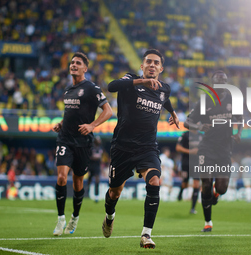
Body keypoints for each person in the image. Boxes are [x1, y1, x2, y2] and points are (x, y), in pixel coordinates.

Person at [102, 49, 180, 249]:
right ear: (142, 66)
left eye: (156, 63)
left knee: (154, 180)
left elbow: (165, 98)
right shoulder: (131, 80)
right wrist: (141, 82)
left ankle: (146, 234)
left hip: (147, 148)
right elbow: (111, 86)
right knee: (114, 192)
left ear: (161, 68)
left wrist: (172, 112)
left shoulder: (165, 89)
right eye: (148, 62)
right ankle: (109, 217)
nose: (152, 65)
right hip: (122, 147)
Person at [52, 52, 113, 236]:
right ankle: (60, 219)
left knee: (78, 181)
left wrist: (92, 125)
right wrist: (61, 124)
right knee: (62, 177)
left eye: (78, 63)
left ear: (85, 68)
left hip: (83, 143)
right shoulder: (68, 90)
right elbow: (71, 114)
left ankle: (75, 217)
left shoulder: (92, 88)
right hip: (64, 139)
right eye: (72, 62)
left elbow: (108, 111)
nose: (73, 65)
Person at [184, 71, 242, 232]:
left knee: (222, 188)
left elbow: (240, 118)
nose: (221, 83)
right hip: (207, 149)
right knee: (206, 184)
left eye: (224, 81)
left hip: (225, 149)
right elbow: (187, 122)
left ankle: (217, 194)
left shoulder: (232, 100)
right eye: (218, 81)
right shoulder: (204, 101)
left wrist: (239, 133)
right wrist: (199, 127)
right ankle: (208, 222)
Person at [176, 130, 203, 214]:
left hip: (197, 163)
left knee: (196, 184)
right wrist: (190, 151)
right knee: (185, 183)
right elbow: (178, 148)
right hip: (186, 163)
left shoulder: (201, 136)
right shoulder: (185, 135)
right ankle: (181, 191)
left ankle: (193, 208)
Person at [87, 136, 103, 203]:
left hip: (97, 167)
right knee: (89, 179)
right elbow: (91, 156)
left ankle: (96, 196)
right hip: (91, 166)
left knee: (97, 180)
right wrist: (97, 157)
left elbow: (100, 157)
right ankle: (87, 192)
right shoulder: (92, 148)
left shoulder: (100, 148)